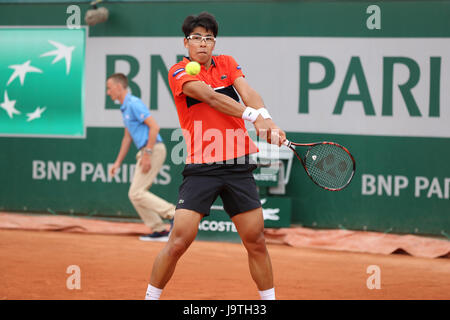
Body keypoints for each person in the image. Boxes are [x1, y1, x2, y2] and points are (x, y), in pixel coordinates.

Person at [145, 12, 286, 300]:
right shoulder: (177, 71)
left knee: (256, 240)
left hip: (238, 164)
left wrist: (267, 119)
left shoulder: (227, 63)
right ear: (186, 42)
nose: (203, 43)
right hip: (202, 166)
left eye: (209, 38)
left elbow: (247, 91)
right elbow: (209, 96)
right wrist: (253, 117)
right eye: (196, 37)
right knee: (179, 241)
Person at [106, 73, 175, 242]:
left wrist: (148, 154)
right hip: (146, 150)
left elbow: (154, 127)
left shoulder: (134, 104)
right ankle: (159, 229)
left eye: (109, 88)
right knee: (135, 194)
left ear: (119, 87)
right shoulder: (124, 108)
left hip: (153, 149)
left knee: (136, 193)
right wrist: (117, 163)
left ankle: (174, 214)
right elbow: (127, 138)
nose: (108, 92)